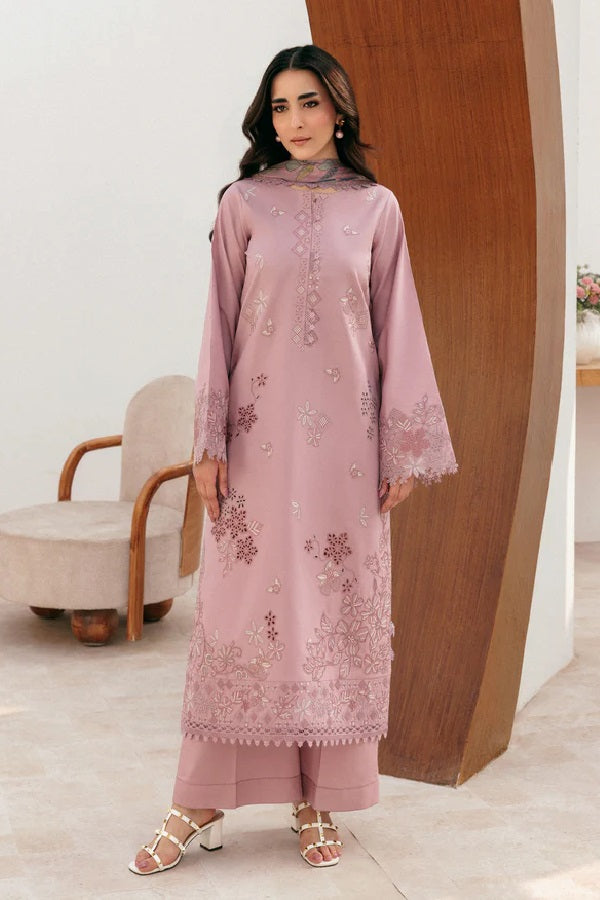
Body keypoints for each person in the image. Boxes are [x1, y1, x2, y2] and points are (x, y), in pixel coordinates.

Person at [129, 43, 457, 876]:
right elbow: (217, 326)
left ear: (338, 109)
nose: (295, 121)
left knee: (334, 615)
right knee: (240, 616)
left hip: (347, 452)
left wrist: (404, 445)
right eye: (281, 106)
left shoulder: (377, 208)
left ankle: (320, 799)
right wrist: (208, 443)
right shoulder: (243, 203)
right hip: (256, 444)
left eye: (309, 102)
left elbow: (399, 328)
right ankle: (200, 797)